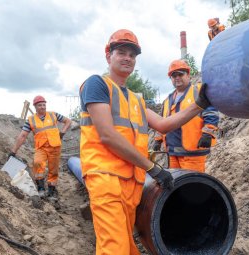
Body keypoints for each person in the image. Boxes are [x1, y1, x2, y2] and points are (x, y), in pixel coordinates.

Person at [79, 29, 212, 255]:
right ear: (108, 56)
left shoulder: (136, 100)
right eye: (121, 52)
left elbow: (164, 124)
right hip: (105, 178)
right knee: (115, 248)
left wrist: (199, 105)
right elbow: (107, 135)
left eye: (132, 55)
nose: (127, 58)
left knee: (128, 246)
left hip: (131, 184)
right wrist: (152, 167)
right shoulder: (97, 85)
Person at [153, 59, 219, 173]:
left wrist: (208, 133)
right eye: (174, 75)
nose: (177, 77)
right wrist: (158, 140)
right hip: (172, 153)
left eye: (180, 74)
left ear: (188, 75)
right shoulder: (168, 100)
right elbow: (163, 121)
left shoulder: (198, 91)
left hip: (192, 153)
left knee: (193, 186)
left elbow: (211, 112)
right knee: (177, 185)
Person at [10, 95, 71, 201]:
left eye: (44, 105)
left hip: (55, 147)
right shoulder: (30, 120)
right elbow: (23, 135)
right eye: (40, 105)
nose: (42, 107)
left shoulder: (53, 115)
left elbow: (68, 121)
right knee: (37, 163)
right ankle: (41, 188)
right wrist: (13, 151)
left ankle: (51, 191)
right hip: (41, 147)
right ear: (35, 107)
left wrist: (62, 132)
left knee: (53, 170)